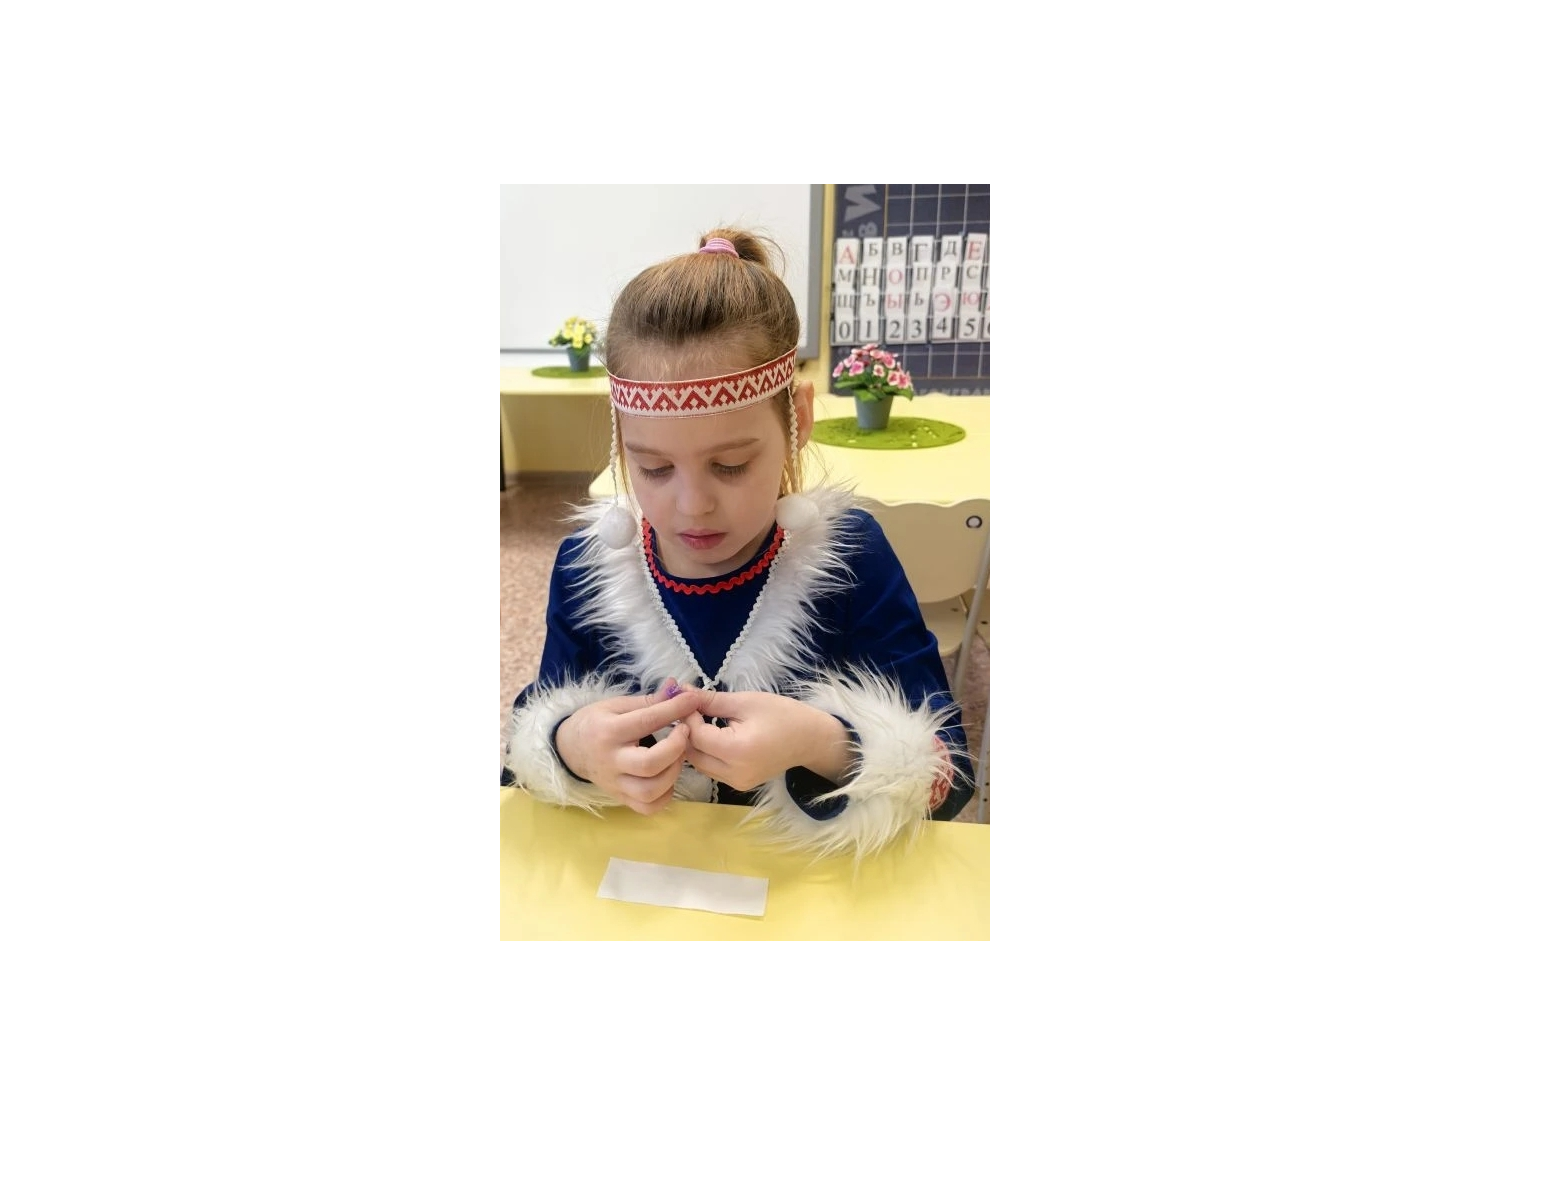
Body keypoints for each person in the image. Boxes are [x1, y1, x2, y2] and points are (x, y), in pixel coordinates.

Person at [501, 229, 975, 857]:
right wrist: (568, 747)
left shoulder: (851, 558)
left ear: (798, 418)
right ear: (621, 441)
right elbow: (528, 749)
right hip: (641, 885)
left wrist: (822, 743)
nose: (692, 504)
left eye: (730, 465)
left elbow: (948, 776)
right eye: (653, 468)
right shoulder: (589, 570)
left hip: (805, 889)